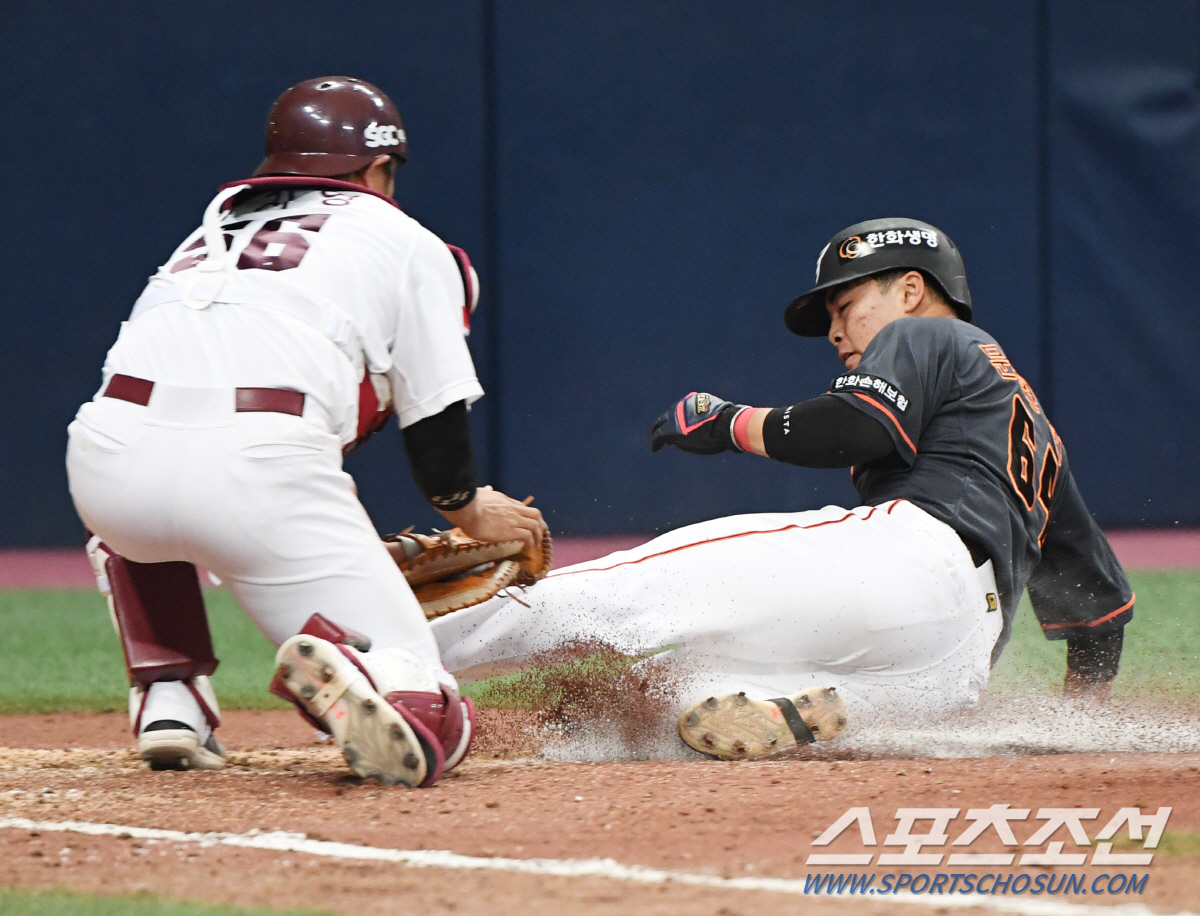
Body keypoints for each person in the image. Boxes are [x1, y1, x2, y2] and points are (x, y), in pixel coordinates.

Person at [430, 217, 1132, 759]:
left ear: (910, 291)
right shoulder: (1039, 433)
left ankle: (399, 656)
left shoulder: (930, 337)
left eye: (846, 305)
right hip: (955, 668)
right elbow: (1099, 607)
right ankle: (813, 708)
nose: (834, 332)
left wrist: (726, 422)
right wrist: (1081, 723)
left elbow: (856, 427)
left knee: (634, 592)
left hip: (915, 561)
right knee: (680, 692)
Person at [66, 76, 546, 786]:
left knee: (137, 463)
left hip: (107, 467)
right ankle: (360, 666)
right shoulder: (409, 242)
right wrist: (468, 508)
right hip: (258, 479)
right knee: (429, 713)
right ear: (379, 167)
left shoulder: (210, 229)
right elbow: (435, 426)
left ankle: (170, 699)